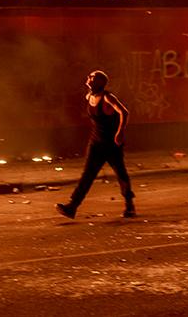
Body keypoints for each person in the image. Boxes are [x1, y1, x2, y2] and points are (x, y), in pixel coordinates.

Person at [56, 70, 136, 219]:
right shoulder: (89, 96)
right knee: (87, 175)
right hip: (96, 143)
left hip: (111, 144)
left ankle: (129, 206)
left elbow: (124, 112)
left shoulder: (107, 97)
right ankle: (72, 207)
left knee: (121, 174)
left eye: (92, 77)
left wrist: (120, 133)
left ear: (99, 82)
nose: (88, 78)